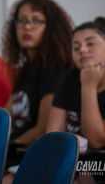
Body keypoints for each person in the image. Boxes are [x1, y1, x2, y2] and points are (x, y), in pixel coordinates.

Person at [1, 0, 73, 182]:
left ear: (50, 28)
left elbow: (42, 129)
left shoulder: (54, 72)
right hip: (13, 149)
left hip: (30, 153)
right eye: (22, 20)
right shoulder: (23, 70)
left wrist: (4, 145)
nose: (27, 26)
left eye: (36, 21)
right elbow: (5, 115)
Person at [47, 17, 105, 184]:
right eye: (76, 47)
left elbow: (97, 140)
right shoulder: (69, 79)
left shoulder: (84, 82)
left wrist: (88, 86)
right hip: (75, 159)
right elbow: (53, 135)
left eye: (90, 43)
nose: (83, 50)